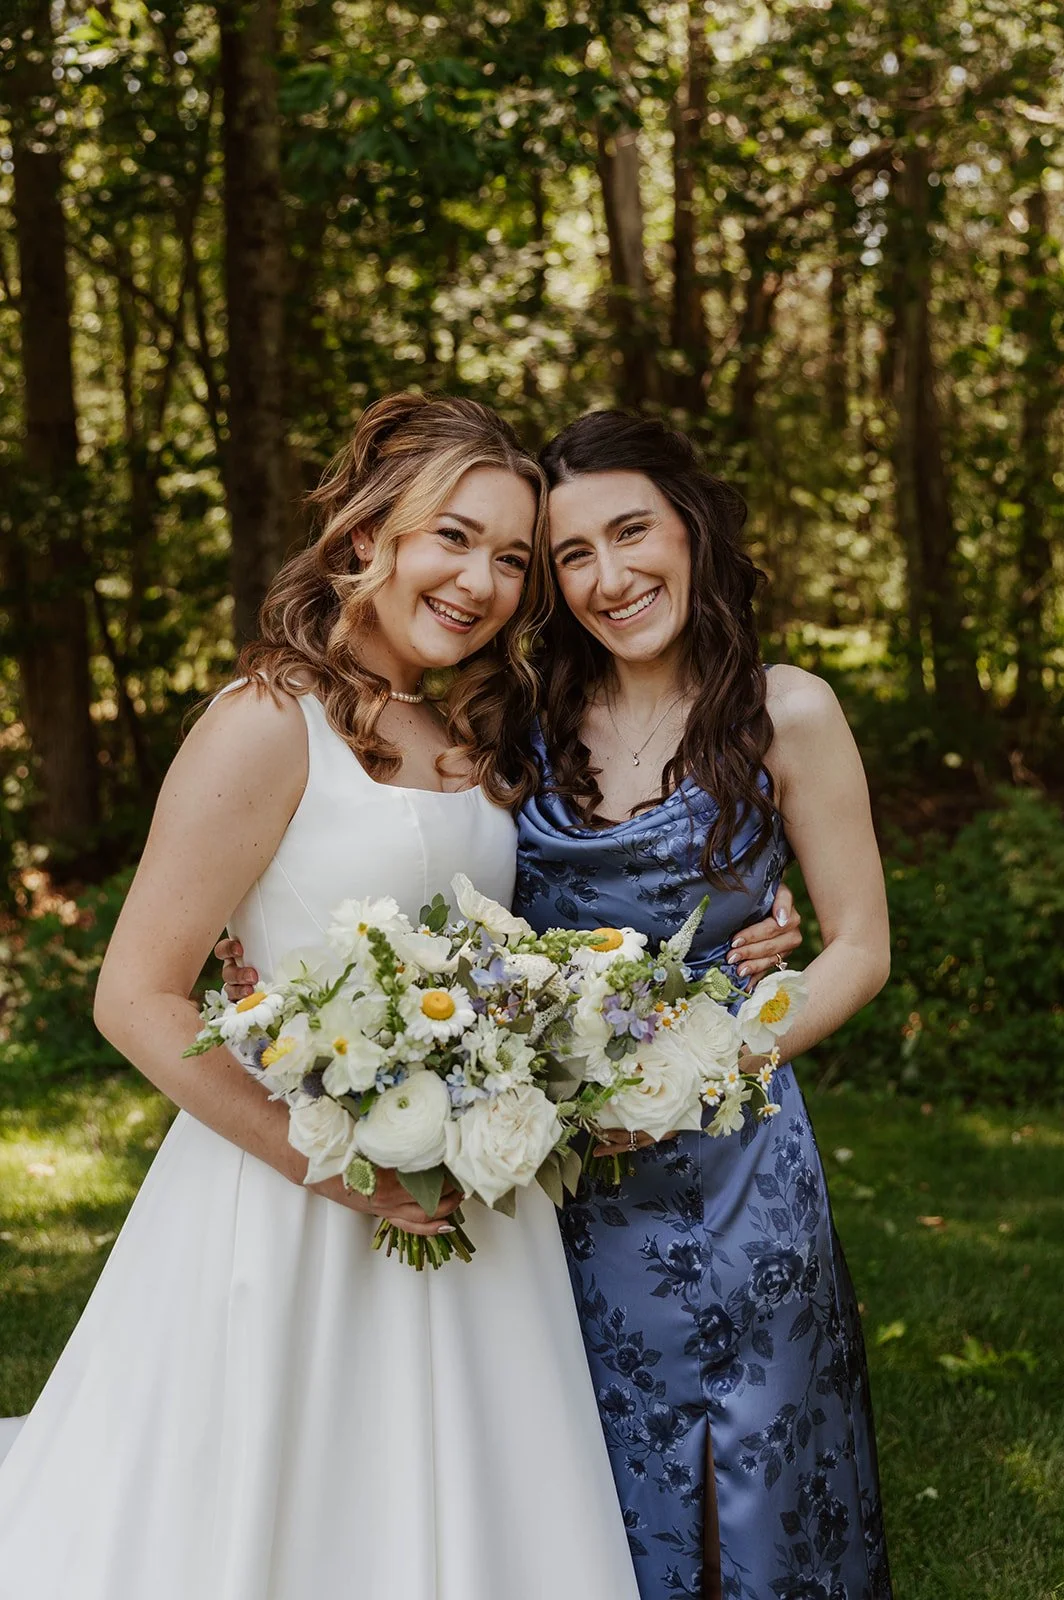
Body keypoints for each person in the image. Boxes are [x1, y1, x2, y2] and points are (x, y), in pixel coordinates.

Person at [0, 395, 643, 1600]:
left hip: (473, 1199)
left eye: (511, 556)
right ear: (364, 539)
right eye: (452, 535)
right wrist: (351, 1172)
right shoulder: (264, 723)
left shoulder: (462, 732)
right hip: (294, 1194)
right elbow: (135, 996)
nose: (482, 579)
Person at [514, 410, 893, 1600]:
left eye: (631, 531)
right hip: (569, 1179)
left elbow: (859, 950)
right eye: (573, 553)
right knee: (598, 1472)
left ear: (690, 525)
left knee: (761, 1479)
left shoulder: (788, 711)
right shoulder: (517, 730)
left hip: (739, 1165)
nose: (610, 577)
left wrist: (702, 1061)